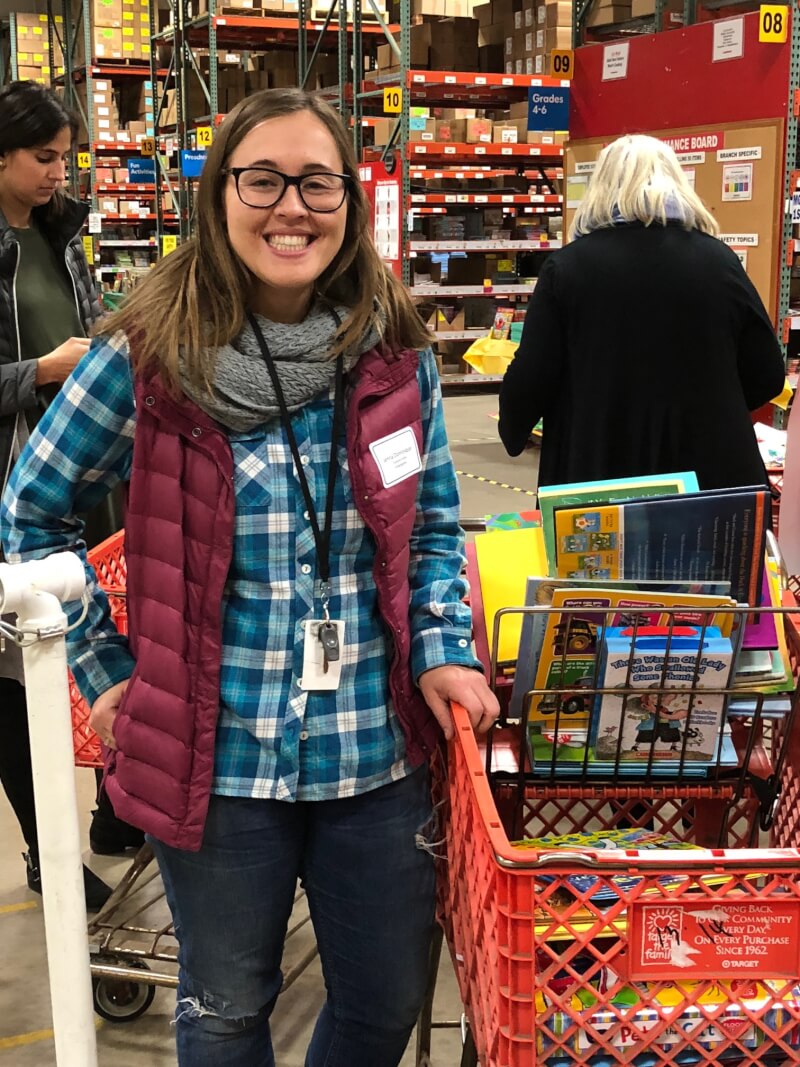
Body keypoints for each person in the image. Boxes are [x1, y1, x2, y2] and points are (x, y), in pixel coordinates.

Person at [1, 87, 500, 1065]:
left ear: (348, 203)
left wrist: (442, 648)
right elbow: (28, 510)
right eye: (261, 179)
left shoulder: (392, 354)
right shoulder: (148, 356)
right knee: (227, 1005)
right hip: (212, 761)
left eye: (316, 182)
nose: (290, 206)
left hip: (375, 754)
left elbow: (433, 525)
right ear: (218, 197)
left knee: (385, 998)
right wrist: (107, 675)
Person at [0, 80, 129, 911]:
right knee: (20, 674)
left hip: (82, 477)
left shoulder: (58, 235)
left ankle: (120, 807)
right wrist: (39, 371)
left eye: (65, 157)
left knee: (105, 630)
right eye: (43, 157)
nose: (59, 173)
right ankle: (49, 849)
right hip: (13, 487)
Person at [498, 134, 786, 491]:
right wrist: (708, 409)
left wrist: (514, 429)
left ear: (600, 188)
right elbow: (768, 373)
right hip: (710, 480)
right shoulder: (720, 262)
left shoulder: (568, 269)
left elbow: (532, 375)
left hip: (597, 474)